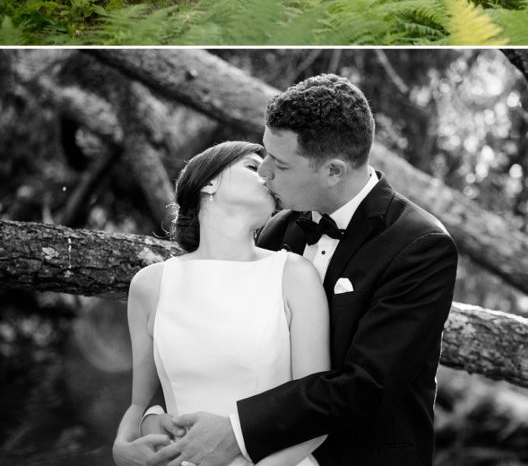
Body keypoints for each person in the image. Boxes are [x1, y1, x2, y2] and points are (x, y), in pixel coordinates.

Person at [147, 73, 459, 466]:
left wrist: (238, 430)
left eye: (279, 164)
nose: (264, 175)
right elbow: (224, 338)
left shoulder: (420, 246)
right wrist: (153, 415)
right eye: (263, 157)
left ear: (333, 171)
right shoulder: (279, 231)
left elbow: (367, 386)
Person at [113, 140, 329, 466]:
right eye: (253, 166)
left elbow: (316, 413)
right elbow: (139, 404)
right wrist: (122, 446)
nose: (268, 175)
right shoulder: (150, 285)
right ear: (209, 181)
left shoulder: (294, 274)